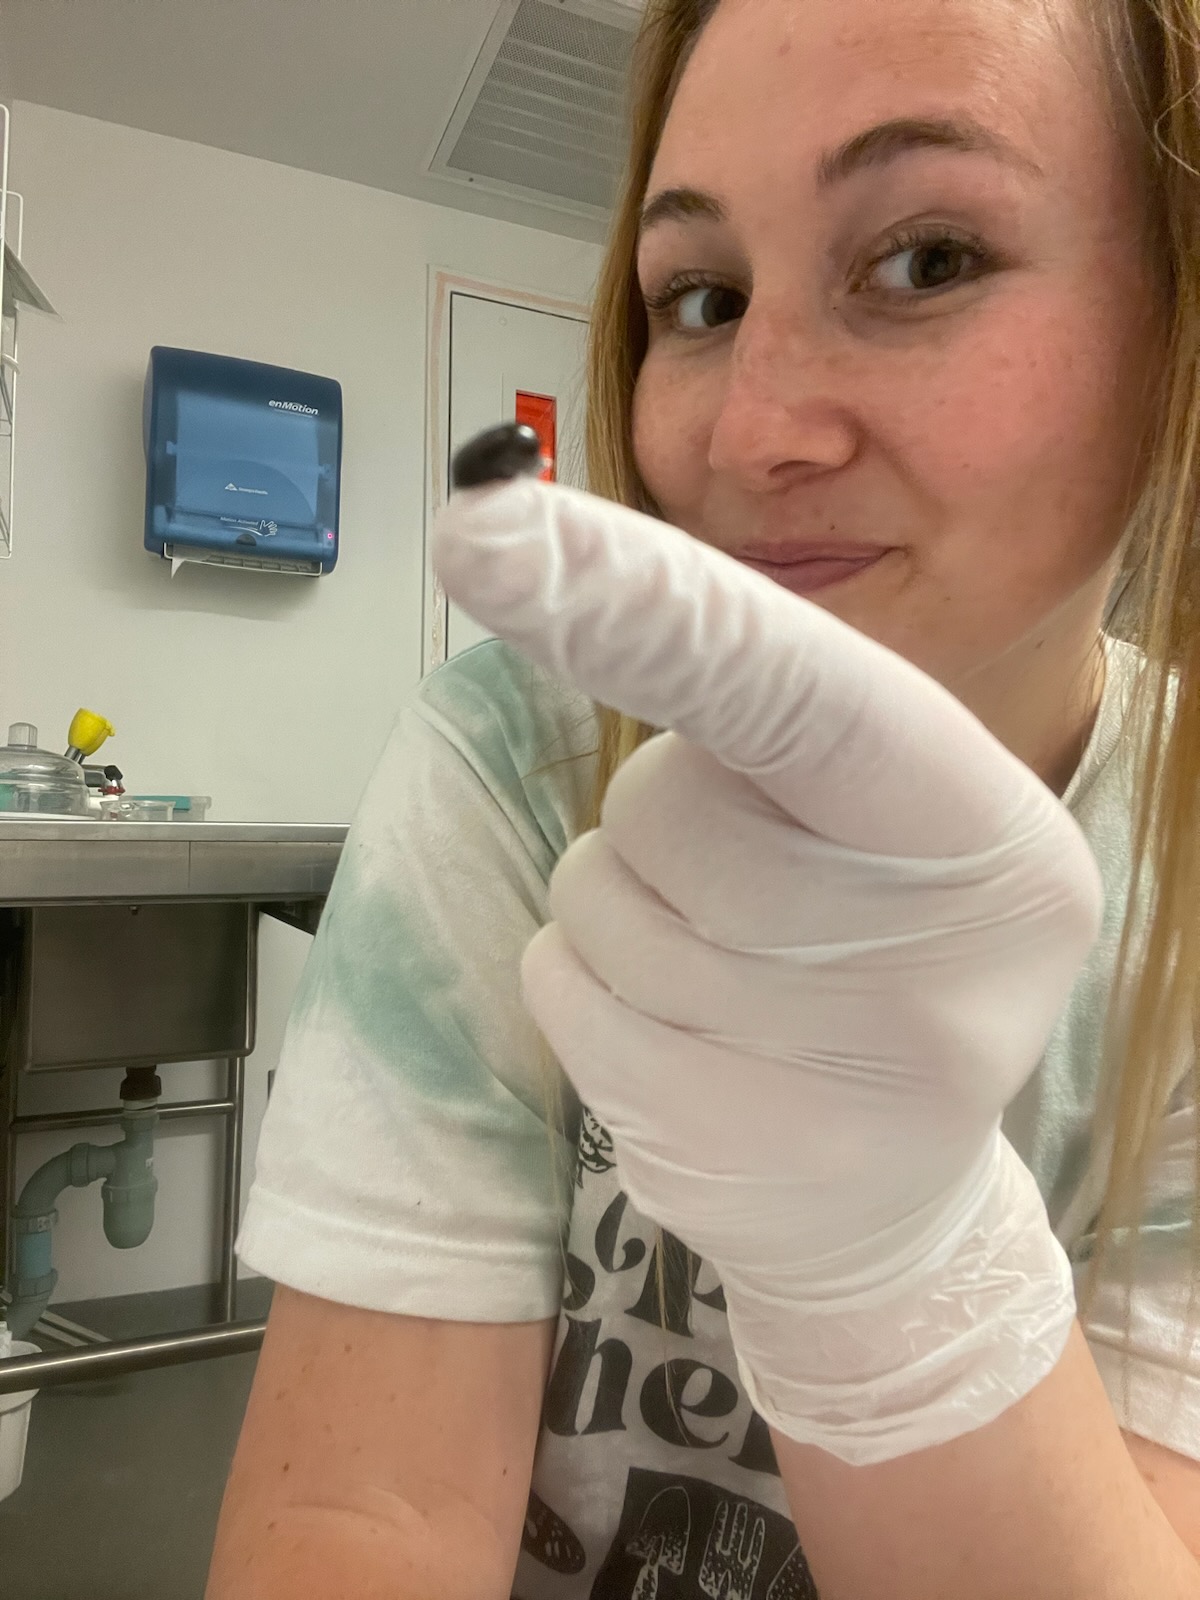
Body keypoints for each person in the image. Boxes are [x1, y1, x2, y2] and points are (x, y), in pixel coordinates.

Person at [205, 0, 1200, 1595]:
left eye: (927, 258)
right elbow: (359, 1521)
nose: (748, 433)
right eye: (703, 298)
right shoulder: (518, 768)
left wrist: (906, 1273)